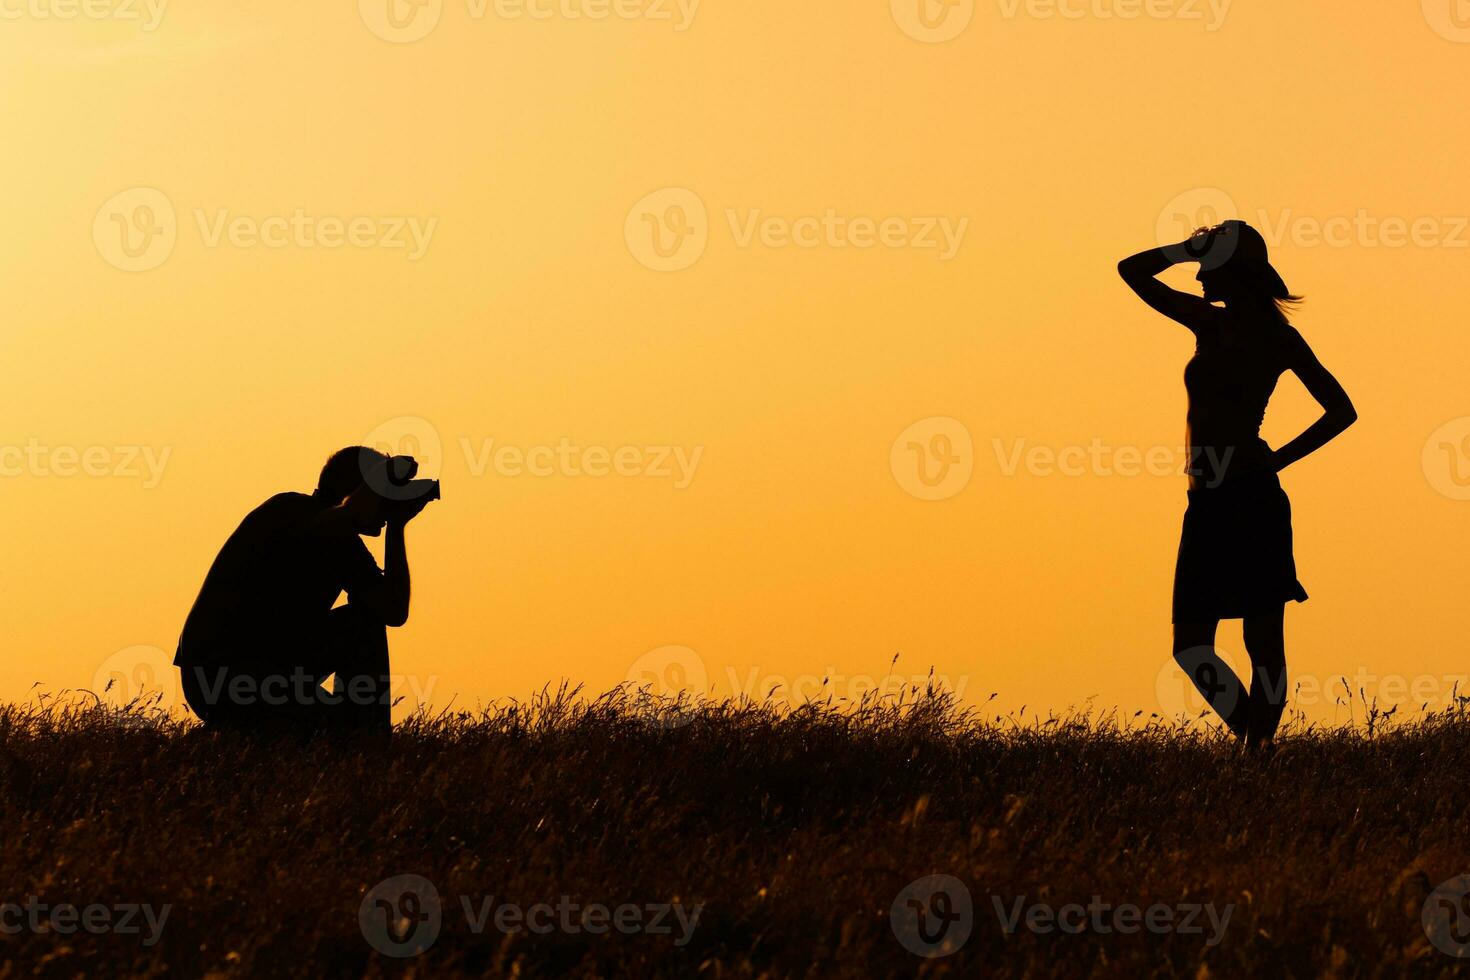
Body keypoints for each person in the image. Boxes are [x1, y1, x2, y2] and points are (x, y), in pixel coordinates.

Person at [1119, 220, 1357, 750]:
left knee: (1263, 641)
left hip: (1252, 500)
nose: (1200, 275)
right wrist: (1185, 248)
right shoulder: (1207, 322)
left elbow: (1342, 410)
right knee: (1191, 647)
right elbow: (1130, 271)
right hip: (1203, 503)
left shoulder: (1278, 338)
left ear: (1234, 273)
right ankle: (1257, 746)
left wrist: (1279, 461)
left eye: (1209, 265)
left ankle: (1257, 757)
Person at [174, 446, 435, 737]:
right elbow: (336, 520)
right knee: (361, 631)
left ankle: (245, 732)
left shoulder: (344, 543)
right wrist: (377, 484)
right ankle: (366, 740)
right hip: (220, 675)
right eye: (383, 495)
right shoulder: (290, 511)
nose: (387, 505)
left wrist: (397, 526)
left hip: (262, 676)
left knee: (339, 724)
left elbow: (393, 610)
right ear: (361, 492)